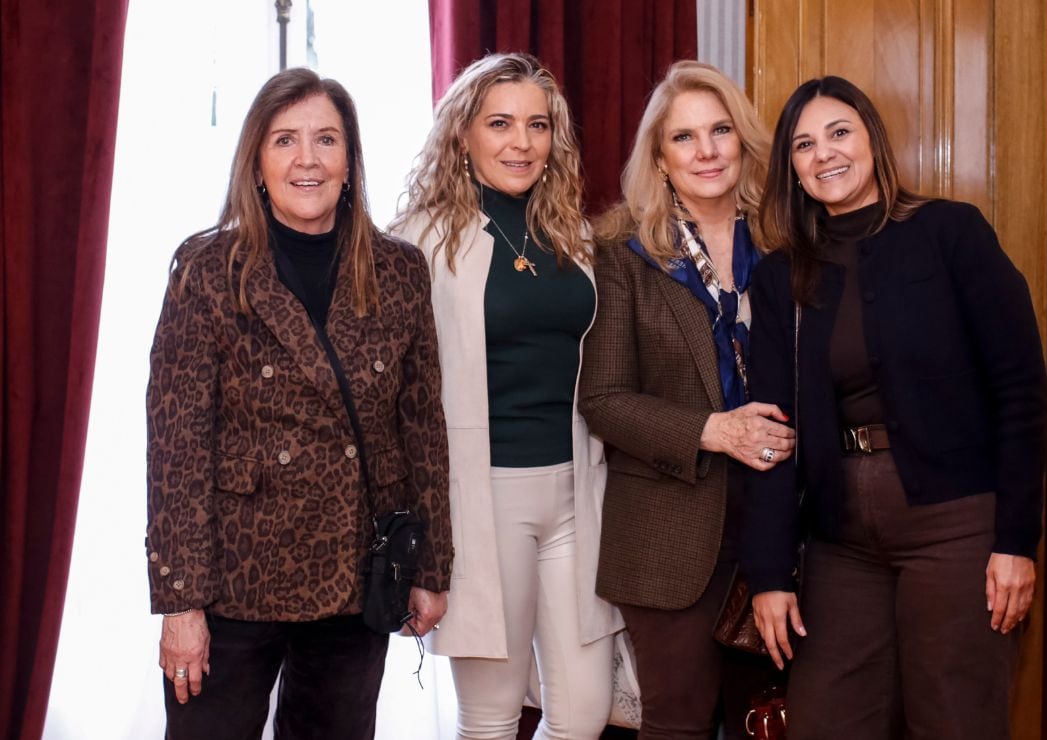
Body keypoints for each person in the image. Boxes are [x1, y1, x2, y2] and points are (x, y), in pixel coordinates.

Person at [145, 68, 451, 739]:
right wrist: (179, 605)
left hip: (352, 578)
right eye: (285, 140)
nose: (306, 159)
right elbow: (176, 450)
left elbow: (422, 427)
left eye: (325, 140)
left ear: (350, 161)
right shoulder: (207, 270)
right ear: (256, 162)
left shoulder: (399, 271)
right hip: (231, 584)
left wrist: (429, 567)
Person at [744, 75, 1047, 739]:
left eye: (838, 133)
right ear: (790, 168)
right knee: (826, 719)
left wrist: (1016, 541)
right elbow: (769, 435)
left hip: (956, 529)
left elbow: (1022, 391)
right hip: (839, 541)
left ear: (872, 139)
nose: (823, 154)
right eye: (803, 144)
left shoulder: (951, 234)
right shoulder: (779, 278)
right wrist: (768, 574)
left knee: (956, 719)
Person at [392, 52, 621, 740]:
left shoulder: (573, 235)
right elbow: (397, 401)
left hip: (579, 492)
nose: (521, 143)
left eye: (538, 125)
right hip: (481, 501)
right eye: (500, 123)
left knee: (583, 714)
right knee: (491, 720)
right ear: (463, 133)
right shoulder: (417, 243)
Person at [578, 60, 794, 739]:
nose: (706, 151)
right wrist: (715, 431)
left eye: (720, 131)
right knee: (679, 722)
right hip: (669, 531)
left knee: (774, 719)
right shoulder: (623, 252)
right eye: (684, 137)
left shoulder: (787, 241)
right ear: (660, 157)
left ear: (743, 140)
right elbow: (604, 399)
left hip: (785, 516)